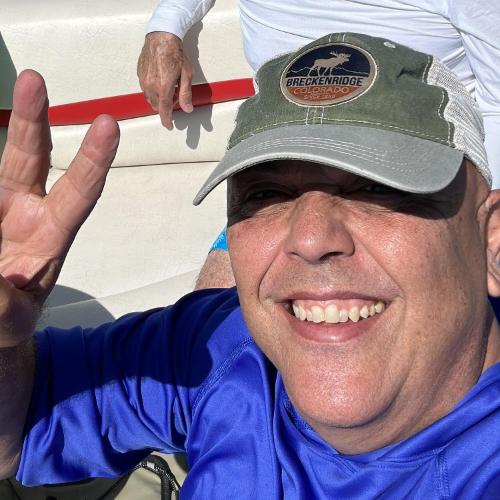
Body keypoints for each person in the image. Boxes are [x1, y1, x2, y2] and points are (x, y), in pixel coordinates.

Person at [2, 33, 500, 497]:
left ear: (489, 240)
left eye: (377, 188)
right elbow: (22, 425)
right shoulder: (223, 345)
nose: (309, 239)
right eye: (267, 194)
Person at [139, 0, 500, 290]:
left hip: (411, 171)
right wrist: (166, 28)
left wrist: (483, 217)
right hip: (287, 162)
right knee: (209, 322)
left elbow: (496, 103)